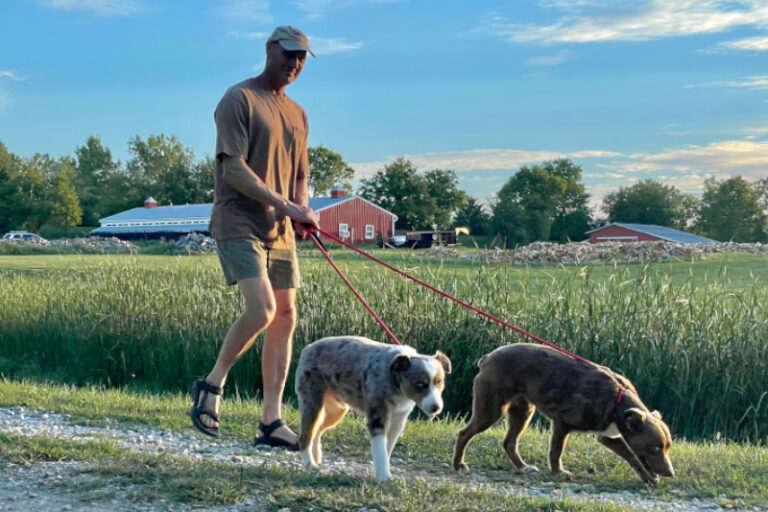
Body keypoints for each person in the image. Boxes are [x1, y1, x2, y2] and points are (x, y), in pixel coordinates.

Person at [189, 25, 319, 450]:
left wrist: (301, 211)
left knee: (285, 316)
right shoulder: (239, 99)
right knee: (262, 310)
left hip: (280, 229)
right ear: (269, 50)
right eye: (289, 54)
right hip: (238, 221)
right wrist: (288, 206)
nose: (295, 63)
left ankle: (270, 421)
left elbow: (300, 175)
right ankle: (211, 384)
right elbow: (234, 169)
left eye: (302, 57)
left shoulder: (298, 113)